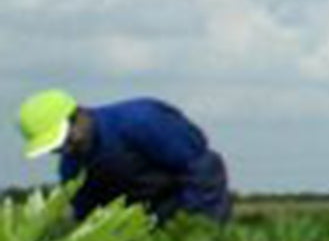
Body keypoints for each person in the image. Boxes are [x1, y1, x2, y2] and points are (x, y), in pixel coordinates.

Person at [16, 88, 232, 224]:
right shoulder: (72, 169)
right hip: (144, 228)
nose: (66, 149)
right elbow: (88, 219)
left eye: (66, 139)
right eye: (56, 147)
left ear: (78, 115)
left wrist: (199, 226)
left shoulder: (142, 121)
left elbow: (202, 169)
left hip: (190, 206)